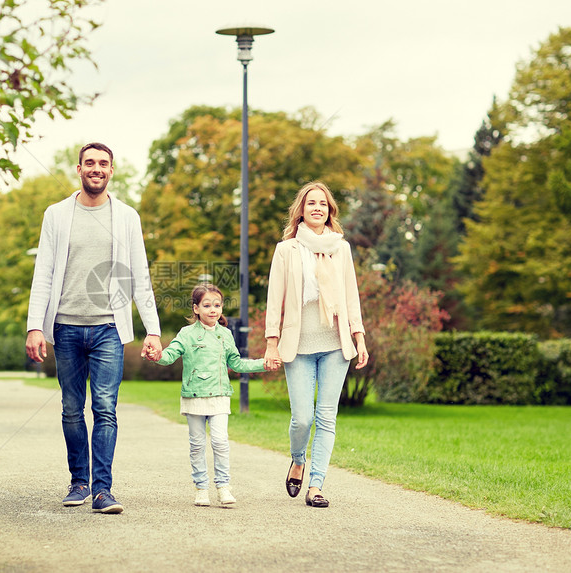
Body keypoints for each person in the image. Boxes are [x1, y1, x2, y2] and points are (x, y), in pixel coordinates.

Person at [25, 142, 162, 515]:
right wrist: (34, 326)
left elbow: (140, 275)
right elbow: (44, 273)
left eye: (103, 163)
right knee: (72, 409)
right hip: (66, 327)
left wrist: (152, 329)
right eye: (90, 163)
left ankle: (103, 490)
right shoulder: (56, 215)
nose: (96, 168)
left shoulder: (127, 217)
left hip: (108, 329)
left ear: (111, 170)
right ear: (79, 169)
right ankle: (78, 482)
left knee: (106, 408)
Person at [263, 181, 369, 508]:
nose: (318, 208)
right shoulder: (287, 250)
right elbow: (274, 300)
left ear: (330, 210)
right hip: (298, 346)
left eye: (323, 204)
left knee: (326, 417)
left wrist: (359, 337)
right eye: (311, 203)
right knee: (302, 418)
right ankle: (297, 458)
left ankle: (317, 485)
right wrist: (271, 342)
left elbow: (351, 295)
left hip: (336, 345)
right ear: (302, 210)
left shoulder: (342, 248)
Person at [149, 284, 278, 507]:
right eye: (207, 305)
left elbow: (236, 363)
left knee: (220, 441)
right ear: (196, 308)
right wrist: (157, 355)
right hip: (194, 396)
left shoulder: (225, 334)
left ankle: (223, 487)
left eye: (217, 305)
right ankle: (201, 489)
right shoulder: (187, 334)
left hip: (219, 396)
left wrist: (263, 364)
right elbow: (169, 355)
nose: (213, 310)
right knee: (197, 445)